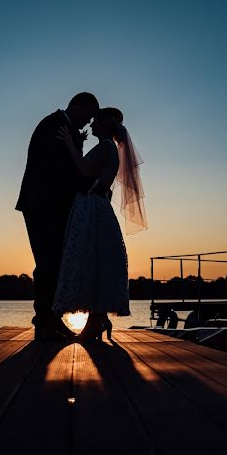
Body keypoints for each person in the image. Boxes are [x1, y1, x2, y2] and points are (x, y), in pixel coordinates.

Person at [52, 107, 147, 341]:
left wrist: (68, 144)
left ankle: (96, 321)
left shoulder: (106, 146)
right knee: (95, 260)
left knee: (89, 258)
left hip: (91, 207)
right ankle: (98, 319)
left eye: (95, 122)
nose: (91, 125)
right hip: (95, 206)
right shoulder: (107, 147)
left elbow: (84, 170)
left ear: (105, 125)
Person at [16, 92, 100, 340]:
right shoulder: (53, 125)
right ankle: (45, 322)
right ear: (78, 107)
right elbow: (59, 169)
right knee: (47, 263)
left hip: (53, 206)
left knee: (54, 262)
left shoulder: (62, 126)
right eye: (89, 116)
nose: (88, 123)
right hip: (43, 205)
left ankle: (50, 318)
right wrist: (88, 183)